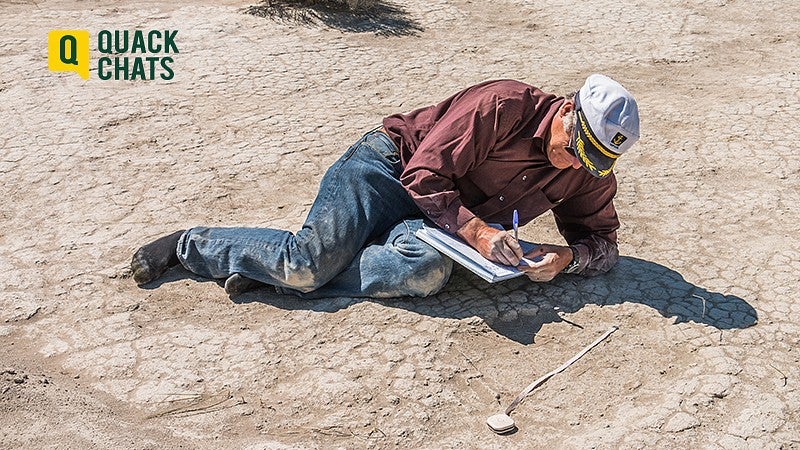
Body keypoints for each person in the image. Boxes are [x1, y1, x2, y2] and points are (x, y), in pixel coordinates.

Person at [131, 74, 640, 299]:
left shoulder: (586, 169)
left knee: (427, 275)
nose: (574, 160)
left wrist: (567, 259)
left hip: (438, 219)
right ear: (570, 110)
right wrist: (480, 232)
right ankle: (188, 246)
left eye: (593, 160)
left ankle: (270, 275)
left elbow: (604, 245)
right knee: (305, 264)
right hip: (387, 170)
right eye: (577, 144)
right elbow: (424, 175)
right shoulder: (504, 105)